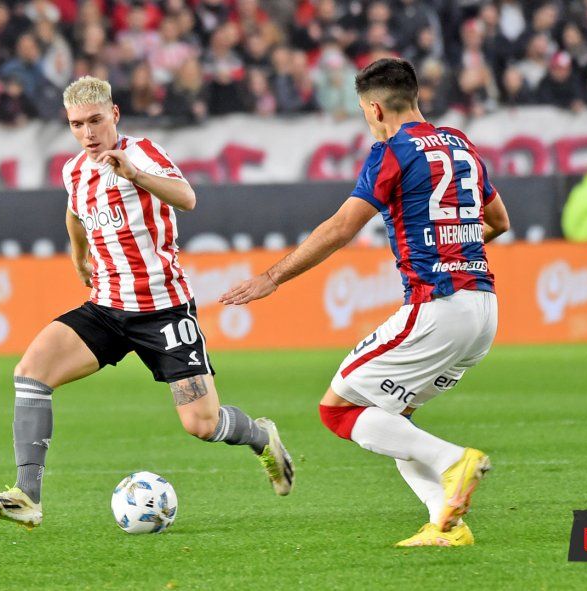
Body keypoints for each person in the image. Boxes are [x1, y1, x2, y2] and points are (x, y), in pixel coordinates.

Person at [0, 76, 294, 528]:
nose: (88, 132)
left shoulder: (142, 153)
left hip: (163, 309)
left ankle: (261, 436)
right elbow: (75, 210)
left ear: (115, 115)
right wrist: (79, 254)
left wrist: (136, 175)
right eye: (77, 124)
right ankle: (27, 497)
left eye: (96, 121)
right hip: (106, 308)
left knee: (201, 425)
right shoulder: (74, 170)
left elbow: (188, 198)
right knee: (30, 373)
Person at [221, 58, 511, 547]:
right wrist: (451, 238)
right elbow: (498, 221)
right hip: (484, 309)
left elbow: (339, 228)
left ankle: (452, 462)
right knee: (391, 417)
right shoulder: (460, 144)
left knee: (337, 411)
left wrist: (273, 276)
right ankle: (447, 523)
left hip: (437, 304)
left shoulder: (391, 152)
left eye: (363, 112)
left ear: (375, 108)